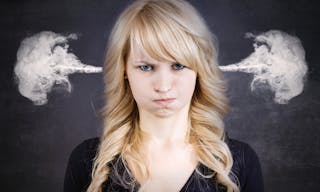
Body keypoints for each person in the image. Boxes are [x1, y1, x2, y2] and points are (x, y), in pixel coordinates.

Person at [63, 0, 264, 191]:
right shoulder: (87, 161)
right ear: (124, 70)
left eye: (177, 65)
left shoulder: (240, 162)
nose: (163, 85)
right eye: (146, 67)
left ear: (198, 69)